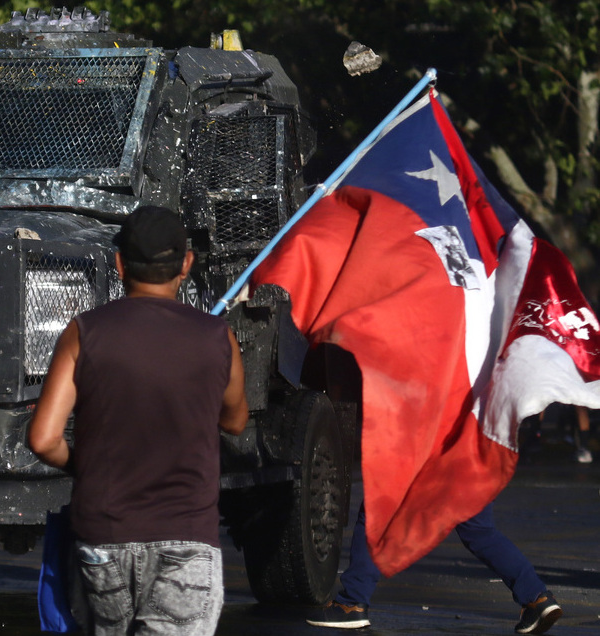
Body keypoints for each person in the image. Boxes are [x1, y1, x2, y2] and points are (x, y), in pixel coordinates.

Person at [27, 206, 249, 636]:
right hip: (186, 537)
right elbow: (236, 420)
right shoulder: (216, 337)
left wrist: (81, 463)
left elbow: (43, 439)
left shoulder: (83, 332)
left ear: (119, 263)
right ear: (187, 263)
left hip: (102, 538)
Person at [307, 501, 562, 634]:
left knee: (377, 513)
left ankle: (352, 603)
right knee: (480, 531)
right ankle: (536, 598)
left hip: (432, 448)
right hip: (474, 451)